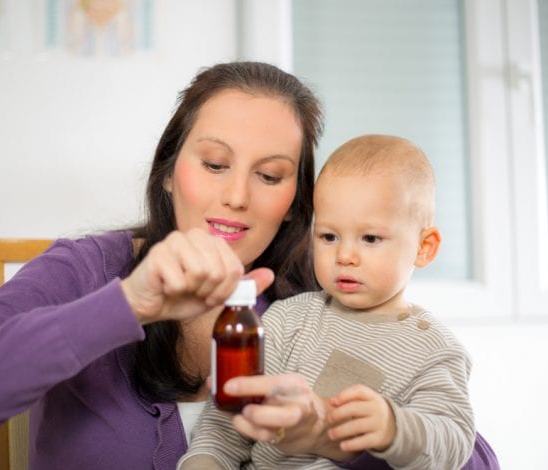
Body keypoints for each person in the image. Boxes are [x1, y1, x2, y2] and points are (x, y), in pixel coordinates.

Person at [0, 62, 498, 469]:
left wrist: (335, 440)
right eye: (213, 164)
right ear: (168, 171)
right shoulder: (86, 271)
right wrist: (126, 305)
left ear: (296, 206)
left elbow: (474, 458)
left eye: (269, 175)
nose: (237, 196)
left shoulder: (333, 302)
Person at [179, 134, 478, 469]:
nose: (345, 256)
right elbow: (225, 423)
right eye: (329, 236)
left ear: (425, 248)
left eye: (370, 238)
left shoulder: (434, 350)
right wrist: (203, 461)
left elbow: (455, 443)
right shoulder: (287, 319)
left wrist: (394, 428)